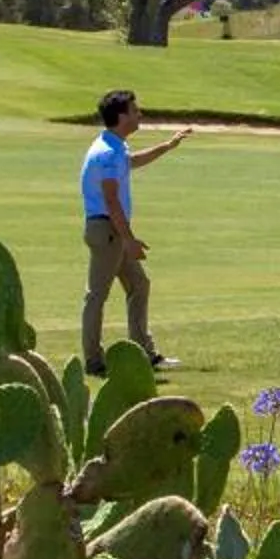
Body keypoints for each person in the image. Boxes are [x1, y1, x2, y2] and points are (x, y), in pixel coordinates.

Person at [81, 89, 193, 372]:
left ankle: (145, 352)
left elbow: (134, 162)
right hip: (107, 230)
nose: (139, 114)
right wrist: (128, 239)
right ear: (121, 116)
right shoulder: (106, 153)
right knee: (97, 295)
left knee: (139, 285)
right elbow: (111, 200)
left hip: (113, 229)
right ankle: (94, 361)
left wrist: (167, 146)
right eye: (134, 110)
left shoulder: (116, 147)